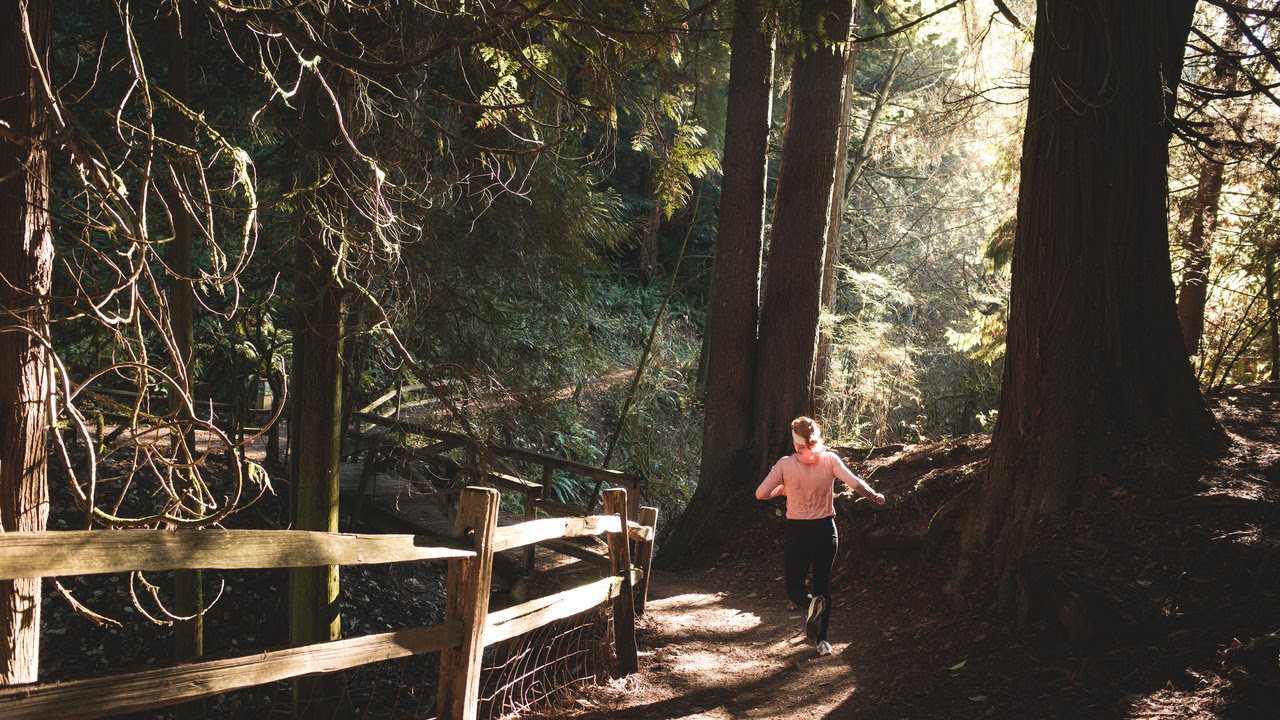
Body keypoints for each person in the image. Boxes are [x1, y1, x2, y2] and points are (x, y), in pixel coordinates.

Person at [755, 416, 886, 656]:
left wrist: (783, 489)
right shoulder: (830, 460)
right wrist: (874, 495)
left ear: (796, 443)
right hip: (826, 531)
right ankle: (823, 642)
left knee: (795, 587)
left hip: (799, 533)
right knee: (822, 586)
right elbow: (856, 484)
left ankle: (809, 605)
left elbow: (761, 494)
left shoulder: (785, 465)